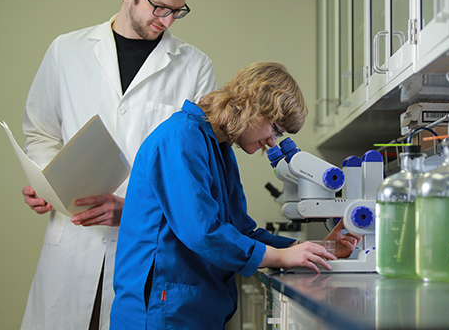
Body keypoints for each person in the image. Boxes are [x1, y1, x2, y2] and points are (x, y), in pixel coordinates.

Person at [19, 0, 217, 330]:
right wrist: (46, 181)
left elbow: (198, 171)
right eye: (160, 8)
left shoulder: (195, 67)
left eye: (179, 11)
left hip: (145, 252)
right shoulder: (67, 51)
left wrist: (133, 209)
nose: (168, 21)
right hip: (72, 245)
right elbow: (40, 134)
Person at [110, 62, 360, 329]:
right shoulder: (181, 138)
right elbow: (202, 231)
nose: (273, 142)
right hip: (161, 310)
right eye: (275, 128)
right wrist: (277, 257)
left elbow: (241, 230)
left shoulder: (220, 149)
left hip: (189, 307)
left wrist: (312, 250)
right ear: (252, 105)